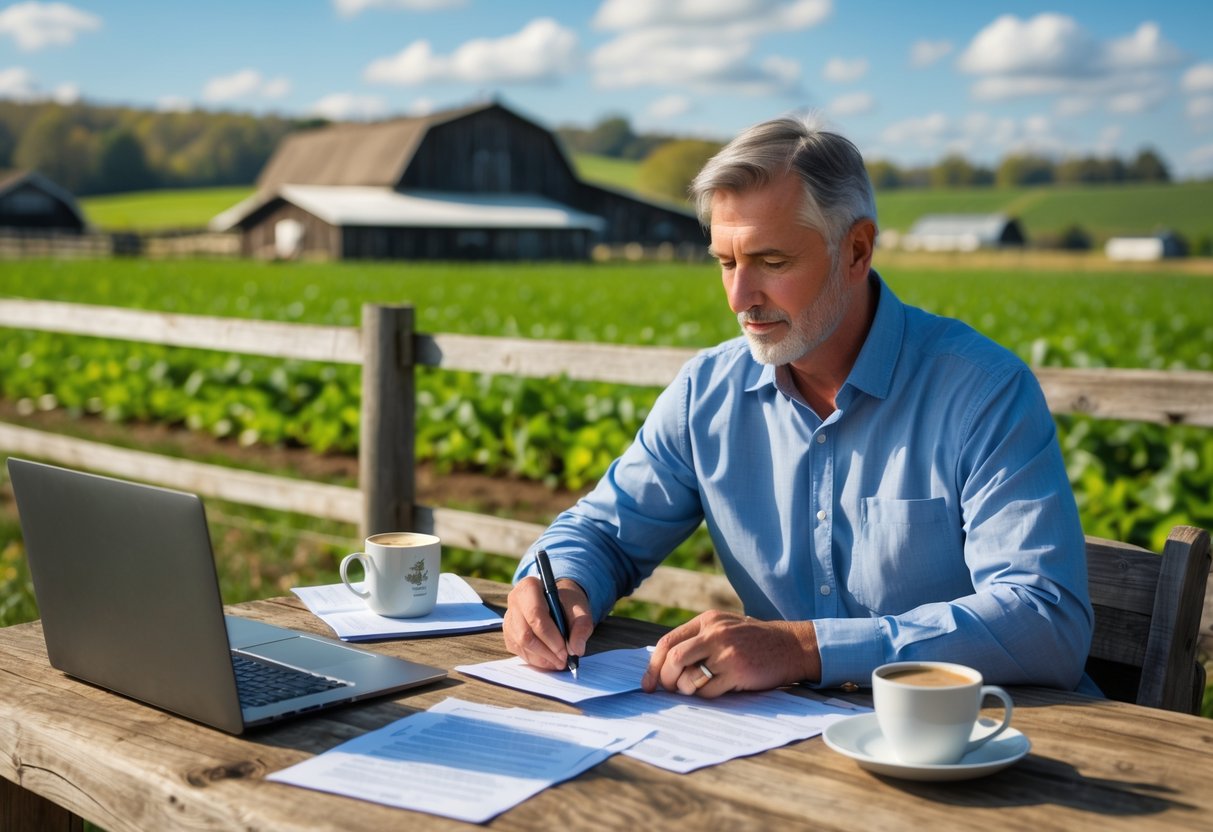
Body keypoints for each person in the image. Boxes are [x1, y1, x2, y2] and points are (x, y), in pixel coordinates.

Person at [503, 113, 1094, 698]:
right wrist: (560, 585)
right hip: (784, 749)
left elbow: (1045, 619)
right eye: (726, 263)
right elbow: (603, 532)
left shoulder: (982, 393)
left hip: (974, 748)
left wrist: (802, 648)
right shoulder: (706, 392)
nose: (740, 297)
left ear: (857, 250)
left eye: (772, 262)